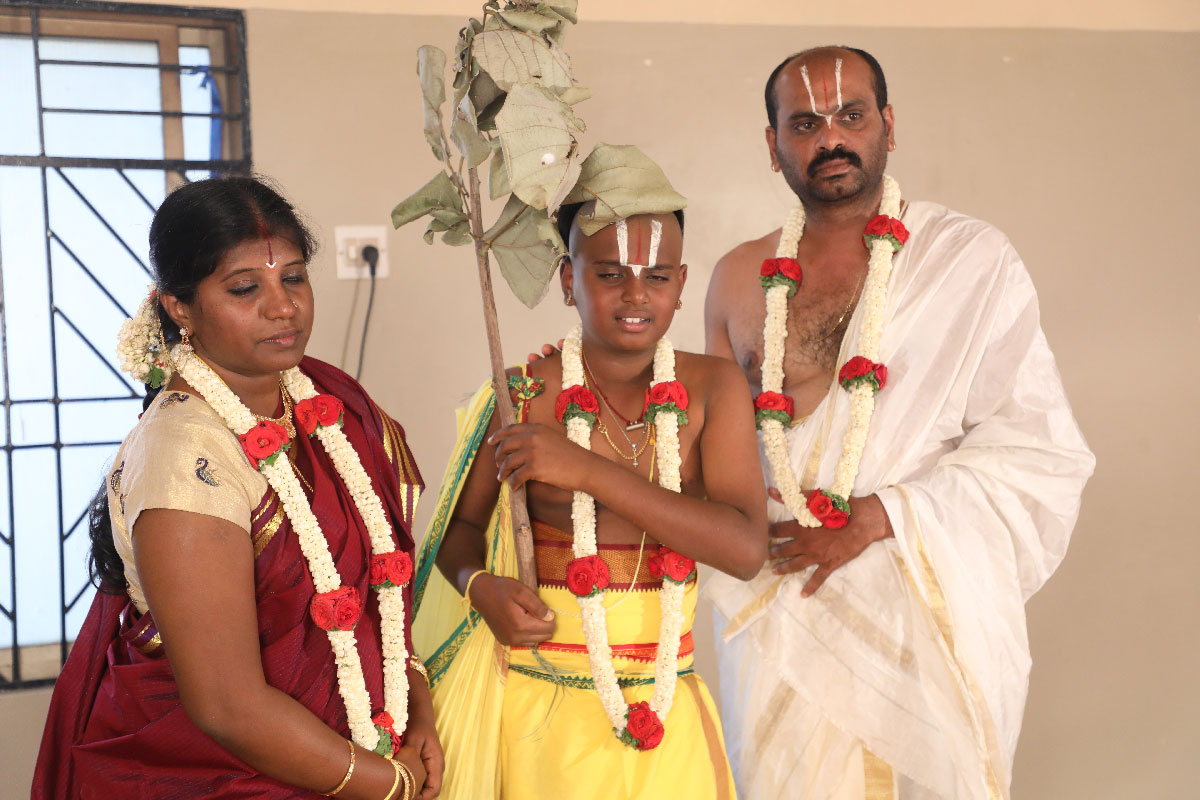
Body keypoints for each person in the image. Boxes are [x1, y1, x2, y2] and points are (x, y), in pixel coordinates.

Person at [703, 47, 1095, 799]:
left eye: (850, 115)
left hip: (914, 603)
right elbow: (712, 456)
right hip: (782, 613)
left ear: (888, 124)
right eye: (805, 124)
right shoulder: (736, 278)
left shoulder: (971, 261)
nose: (831, 138)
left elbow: (1038, 447)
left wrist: (880, 516)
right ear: (773, 145)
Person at [33, 176, 443, 800]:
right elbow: (226, 706)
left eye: (294, 278)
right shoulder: (183, 454)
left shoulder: (324, 407)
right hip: (218, 779)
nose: (283, 307)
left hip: (357, 756)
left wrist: (418, 714)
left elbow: (379, 604)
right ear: (179, 307)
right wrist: (390, 785)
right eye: (246, 288)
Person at [413, 203, 768, 799]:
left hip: (665, 712)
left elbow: (745, 549)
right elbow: (458, 530)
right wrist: (480, 587)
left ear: (681, 284)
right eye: (609, 274)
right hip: (540, 710)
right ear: (568, 279)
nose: (636, 295)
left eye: (657, 276)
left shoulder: (714, 387)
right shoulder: (523, 393)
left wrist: (584, 470)